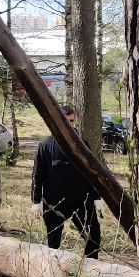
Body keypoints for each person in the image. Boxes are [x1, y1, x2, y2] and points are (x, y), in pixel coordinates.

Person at [30, 105, 102, 260]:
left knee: (93, 237)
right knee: (53, 241)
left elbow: (92, 171)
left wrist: (96, 197)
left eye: (72, 121)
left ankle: (91, 268)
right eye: (66, 121)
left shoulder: (82, 144)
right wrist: (36, 200)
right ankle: (54, 270)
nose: (69, 125)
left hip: (81, 201)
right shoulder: (45, 146)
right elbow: (37, 175)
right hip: (55, 203)